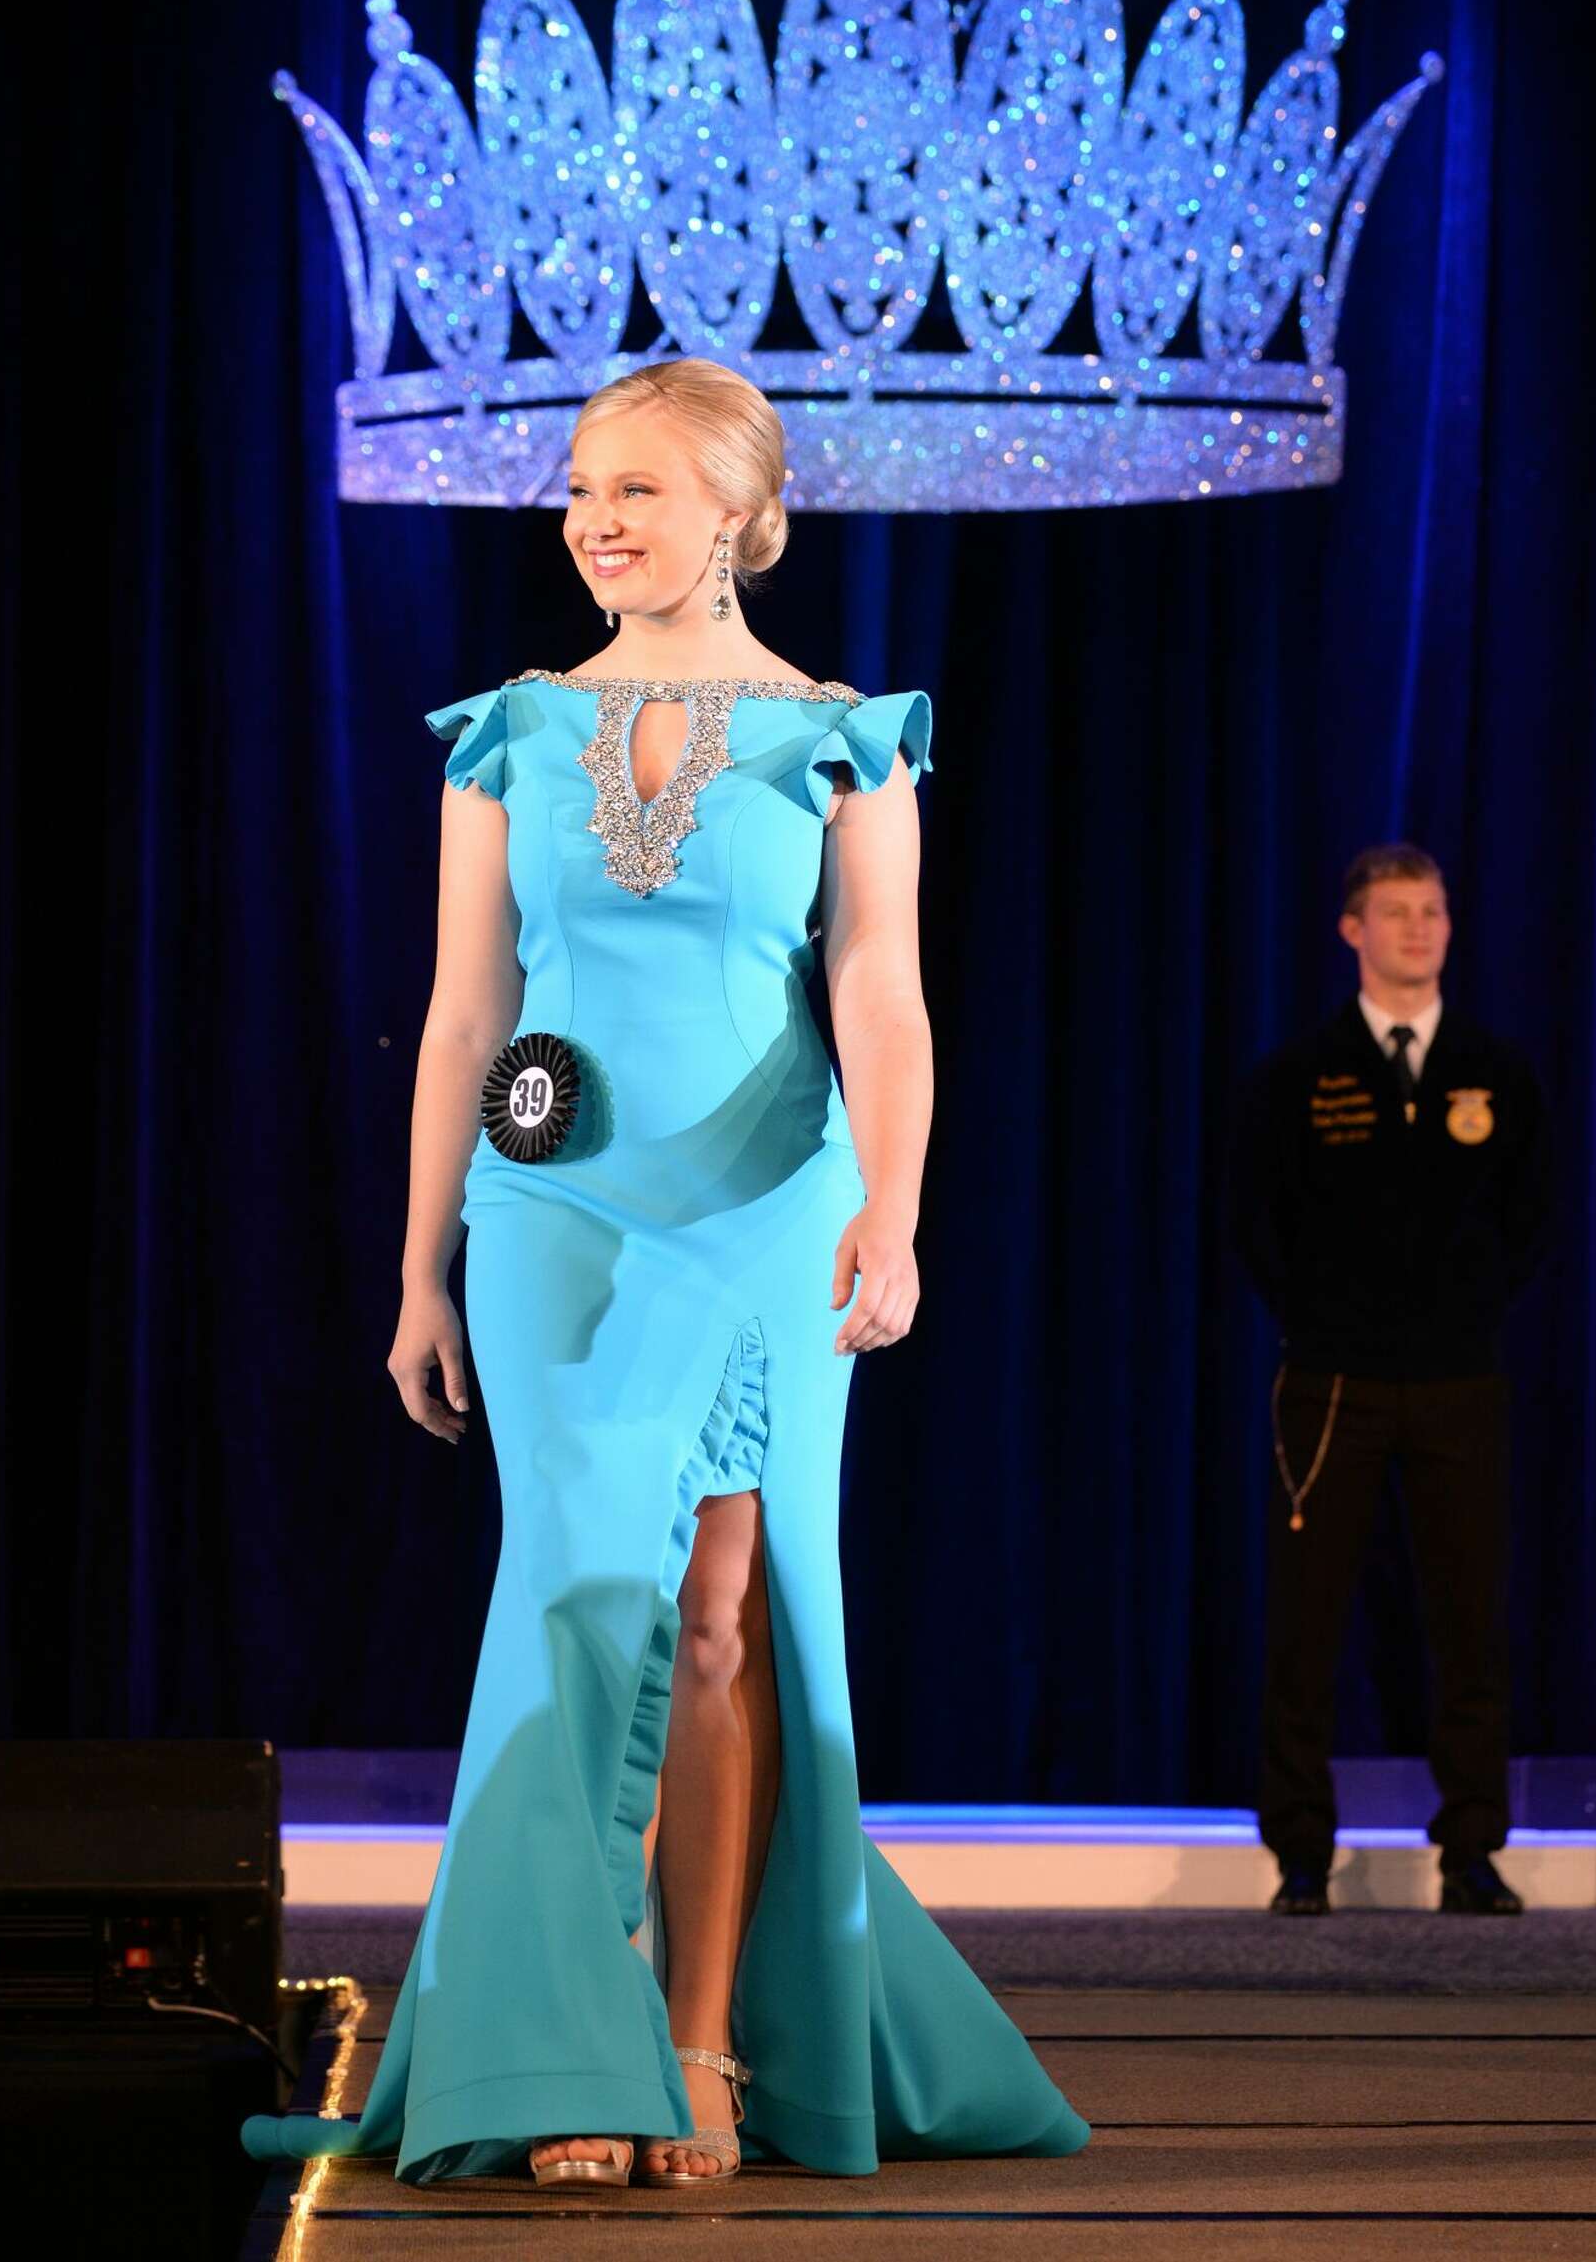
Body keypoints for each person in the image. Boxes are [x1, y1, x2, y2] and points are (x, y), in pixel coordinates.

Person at [241, 358, 1089, 2188]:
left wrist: (899, 1202)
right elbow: (466, 1011)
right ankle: (562, 2037)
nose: (596, 518)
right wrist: (418, 1267)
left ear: (740, 513)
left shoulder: (845, 734)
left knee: (721, 1614)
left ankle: (697, 2033)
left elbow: (881, 990)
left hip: (770, 1201)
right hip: (553, 1211)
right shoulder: (509, 732)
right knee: (573, 1594)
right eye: (578, 487)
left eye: (636, 487)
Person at [1228, 843, 1551, 1918]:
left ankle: (1471, 1850)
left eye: (1434, 910)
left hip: (1460, 1381)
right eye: (1396, 911)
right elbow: (1257, 1224)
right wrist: (1324, 1320)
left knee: (1469, 1618)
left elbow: (1529, 1223)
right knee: (1307, 1624)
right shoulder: (1298, 1076)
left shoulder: (1496, 1073)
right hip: (1331, 1385)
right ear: (1352, 930)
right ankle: (1302, 1857)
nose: (1420, 927)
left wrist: (1463, 1312)